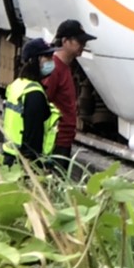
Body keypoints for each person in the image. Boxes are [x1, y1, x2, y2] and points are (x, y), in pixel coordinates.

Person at [4, 39, 60, 167]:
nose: (52, 61)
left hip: (11, 156)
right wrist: (36, 166)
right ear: (34, 60)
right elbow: (33, 136)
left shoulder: (17, 85)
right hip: (25, 162)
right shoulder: (34, 94)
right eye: (47, 57)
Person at [45, 19, 94, 166]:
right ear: (65, 41)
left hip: (64, 139)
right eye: (79, 42)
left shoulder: (65, 67)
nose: (83, 46)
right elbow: (44, 101)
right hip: (55, 140)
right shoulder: (54, 69)